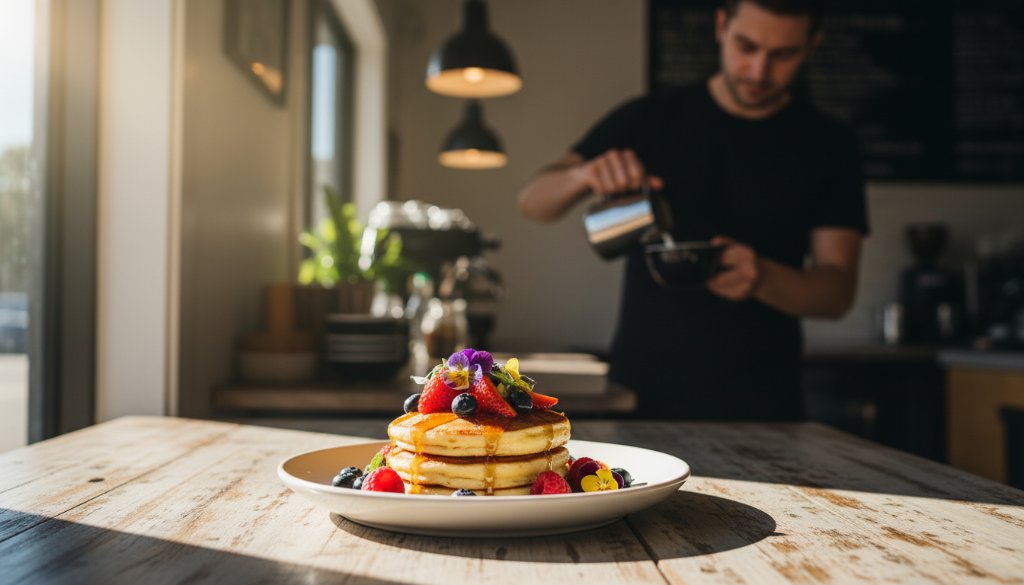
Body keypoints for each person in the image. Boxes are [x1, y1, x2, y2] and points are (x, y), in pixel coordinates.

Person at [517, 0, 868, 420]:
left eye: (783, 55)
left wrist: (761, 278)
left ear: (813, 44)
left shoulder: (829, 146)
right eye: (746, 46)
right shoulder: (650, 119)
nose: (759, 71)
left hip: (764, 404)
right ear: (721, 26)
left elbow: (836, 293)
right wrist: (583, 176)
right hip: (639, 395)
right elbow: (533, 202)